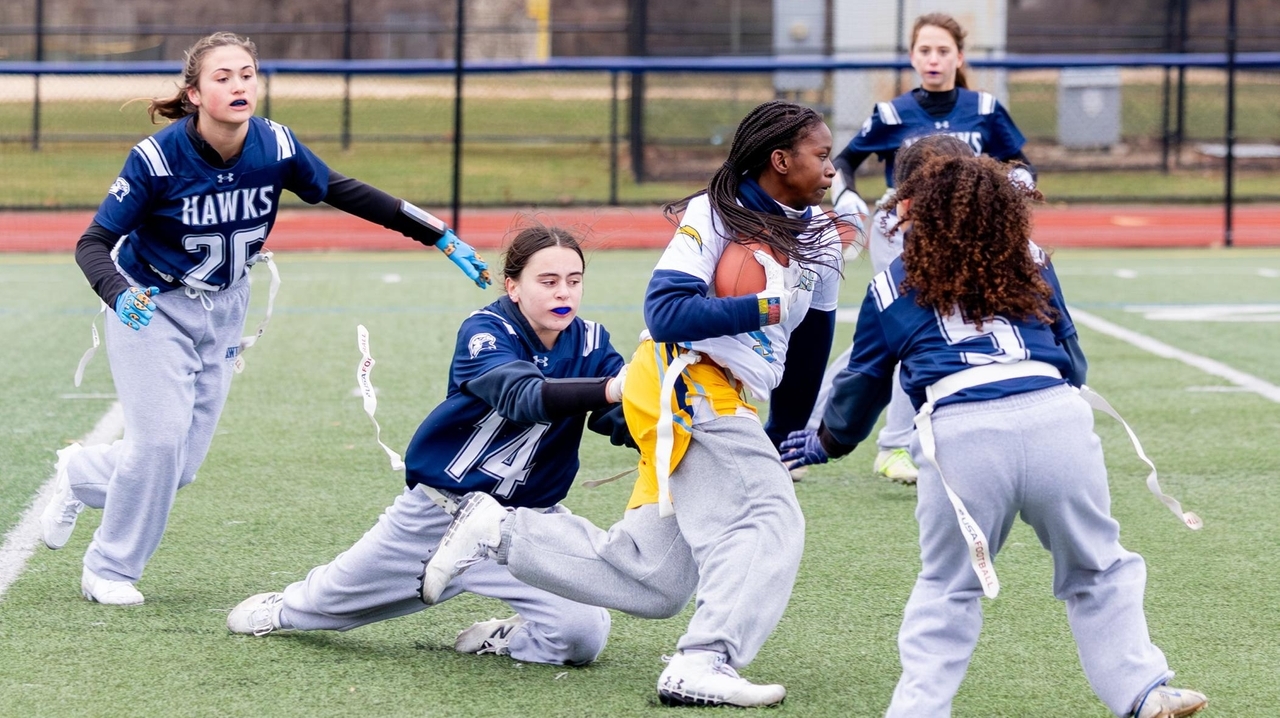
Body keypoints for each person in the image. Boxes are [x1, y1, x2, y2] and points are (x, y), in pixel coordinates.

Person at [417, 100, 845, 707]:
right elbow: (666, 313)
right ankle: (705, 661)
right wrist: (763, 307)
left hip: (725, 393)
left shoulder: (821, 235)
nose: (832, 168)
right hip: (683, 379)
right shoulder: (715, 215)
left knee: (657, 579)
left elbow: (811, 343)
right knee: (770, 518)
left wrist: (785, 436)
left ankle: (500, 531)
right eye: (821, 155)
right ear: (780, 160)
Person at [40, 32, 491, 606]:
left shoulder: (275, 145)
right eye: (223, 76)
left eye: (247, 74)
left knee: (175, 469)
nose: (238, 85)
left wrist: (437, 234)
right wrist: (117, 292)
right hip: (150, 305)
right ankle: (109, 567)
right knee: (156, 447)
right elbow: (94, 241)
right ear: (195, 93)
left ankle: (81, 473)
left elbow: (344, 191)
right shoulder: (156, 158)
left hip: (226, 308)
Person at [780, 154, 1207, 718]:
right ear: (1004, 209)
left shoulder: (893, 282)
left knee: (949, 588)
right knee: (1098, 566)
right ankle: (1144, 690)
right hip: (1056, 415)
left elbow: (863, 383)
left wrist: (829, 442)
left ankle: (918, 712)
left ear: (915, 212)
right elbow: (1072, 355)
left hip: (961, 433)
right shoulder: (1031, 258)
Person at [226, 225, 629, 666]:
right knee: (322, 605)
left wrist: (667, 414)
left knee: (581, 636)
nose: (563, 292)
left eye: (574, 280)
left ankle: (503, 637)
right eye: (548, 281)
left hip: (525, 525)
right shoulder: (486, 331)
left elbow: (619, 418)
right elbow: (523, 397)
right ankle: (282, 609)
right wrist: (612, 388)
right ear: (513, 286)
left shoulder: (591, 341)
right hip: (442, 514)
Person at [814, 11, 1036, 484]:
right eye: (924, 51)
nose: (933, 60)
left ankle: (808, 426)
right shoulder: (893, 112)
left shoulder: (986, 107)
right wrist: (846, 193)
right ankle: (894, 445)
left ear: (959, 57)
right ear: (912, 57)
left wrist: (1017, 182)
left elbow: (1021, 162)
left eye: (942, 51)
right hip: (904, 227)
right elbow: (845, 161)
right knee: (908, 327)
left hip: (962, 231)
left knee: (892, 336)